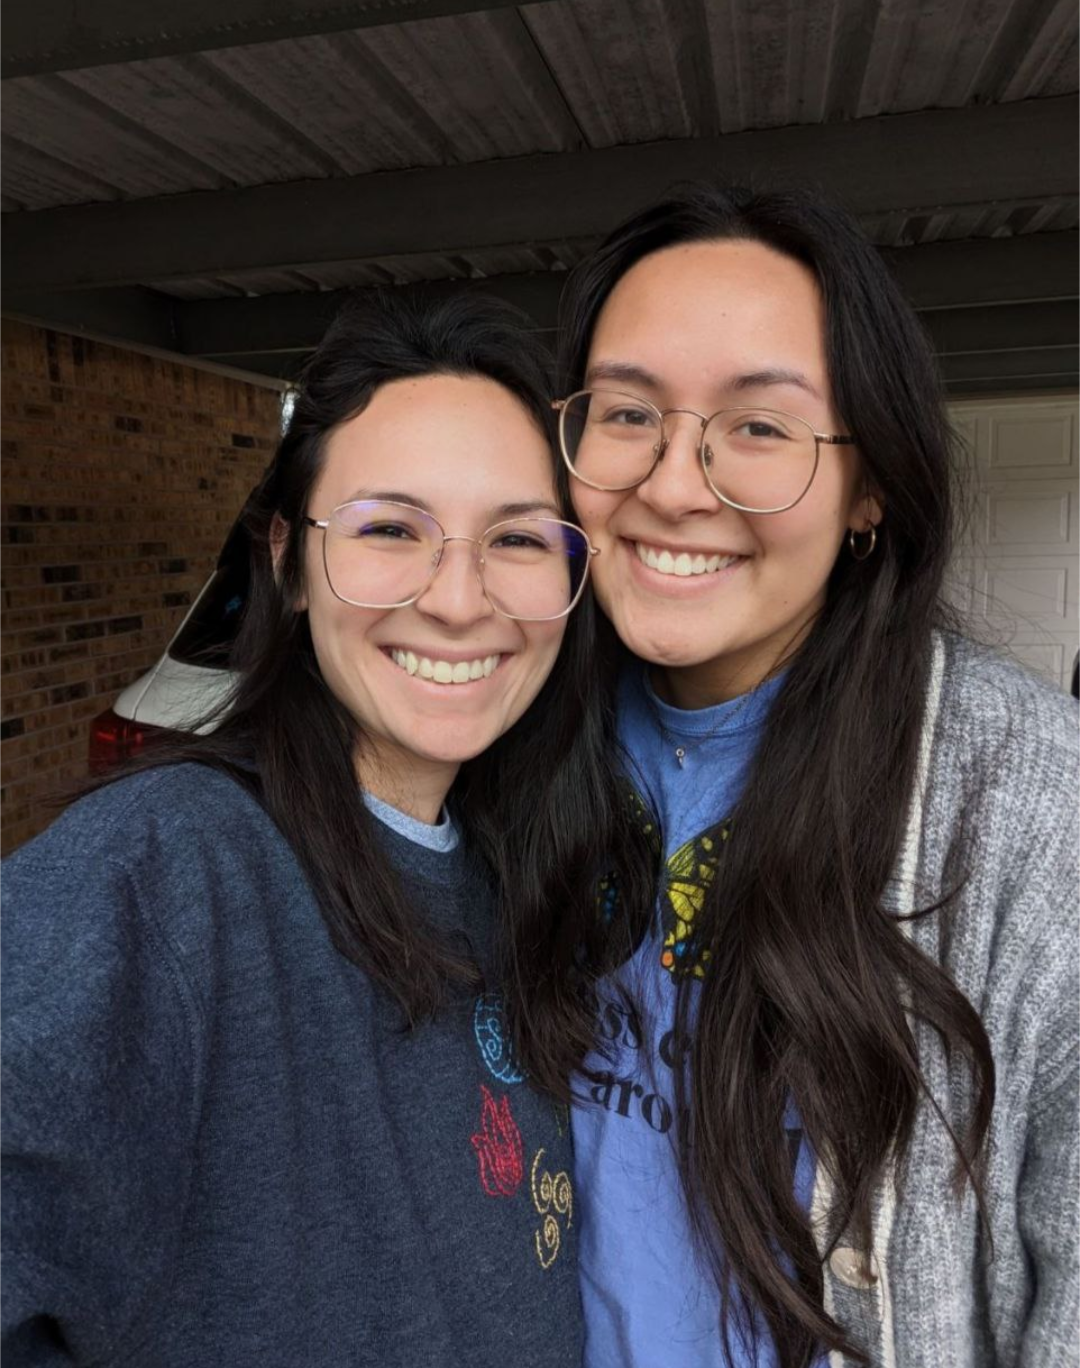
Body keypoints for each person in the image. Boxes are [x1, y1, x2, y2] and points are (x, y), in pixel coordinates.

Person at [0, 293, 650, 1367]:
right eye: (390, 528)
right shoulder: (166, 875)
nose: (459, 600)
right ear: (289, 561)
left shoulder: (520, 867)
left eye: (516, 538)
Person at [555, 185, 1080, 1368]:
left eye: (759, 426)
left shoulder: (1036, 802)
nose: (673, 485)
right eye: (627, 411)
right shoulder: (518, 740)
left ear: (870, 485)